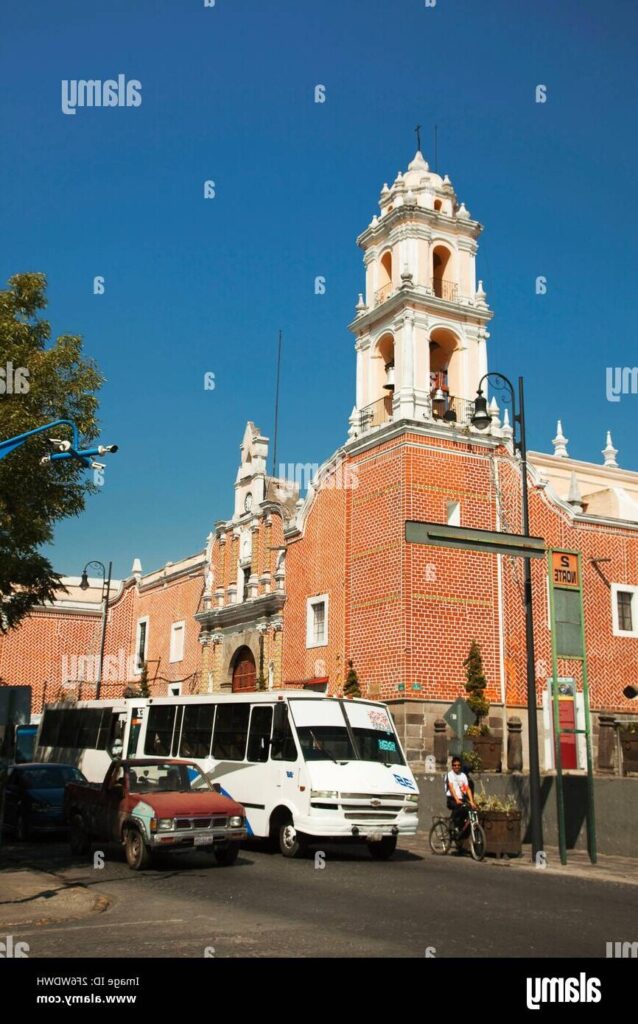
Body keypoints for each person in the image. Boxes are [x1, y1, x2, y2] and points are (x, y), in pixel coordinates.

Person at [444, 756, 477, 837]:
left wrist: (472, 802)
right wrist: (456, 799)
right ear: (452, 766)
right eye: (454, 765)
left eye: (458, 765)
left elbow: (467, 789)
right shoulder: (450, 775)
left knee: (469, 809)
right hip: (452, 798)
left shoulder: (463, 775)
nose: (456, 767)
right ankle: (453, 824)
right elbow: (451, 788)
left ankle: (461, 828)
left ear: (460, 766)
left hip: (461, 798)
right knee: (459, 807)